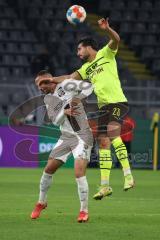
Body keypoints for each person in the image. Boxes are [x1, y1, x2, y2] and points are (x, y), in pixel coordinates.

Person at [38, 18, 135, 200]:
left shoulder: (105, 54)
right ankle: (105, 186)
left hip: (118, 102)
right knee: (103, 141)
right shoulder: (86, 68)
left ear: (88, 47)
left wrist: (107, 29)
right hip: (104, 106)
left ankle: (128, 175)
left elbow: (116, 40)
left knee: (112, 135)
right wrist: (51, 80)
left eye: (79, 49)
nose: (78, 52)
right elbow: (69, 77)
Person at [30, 70, 93, 222]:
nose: (40, 87)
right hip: (66, 137)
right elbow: (55, 121)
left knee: (78, 172)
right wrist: (65, 112)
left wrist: (77, 99)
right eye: (37, 85)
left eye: (41, 83)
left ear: (49, 81)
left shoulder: (66, 84)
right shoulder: (48, 99)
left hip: (82, 135)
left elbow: (89, 86)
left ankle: (84, 211)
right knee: (48, 169)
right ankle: (41, 202)